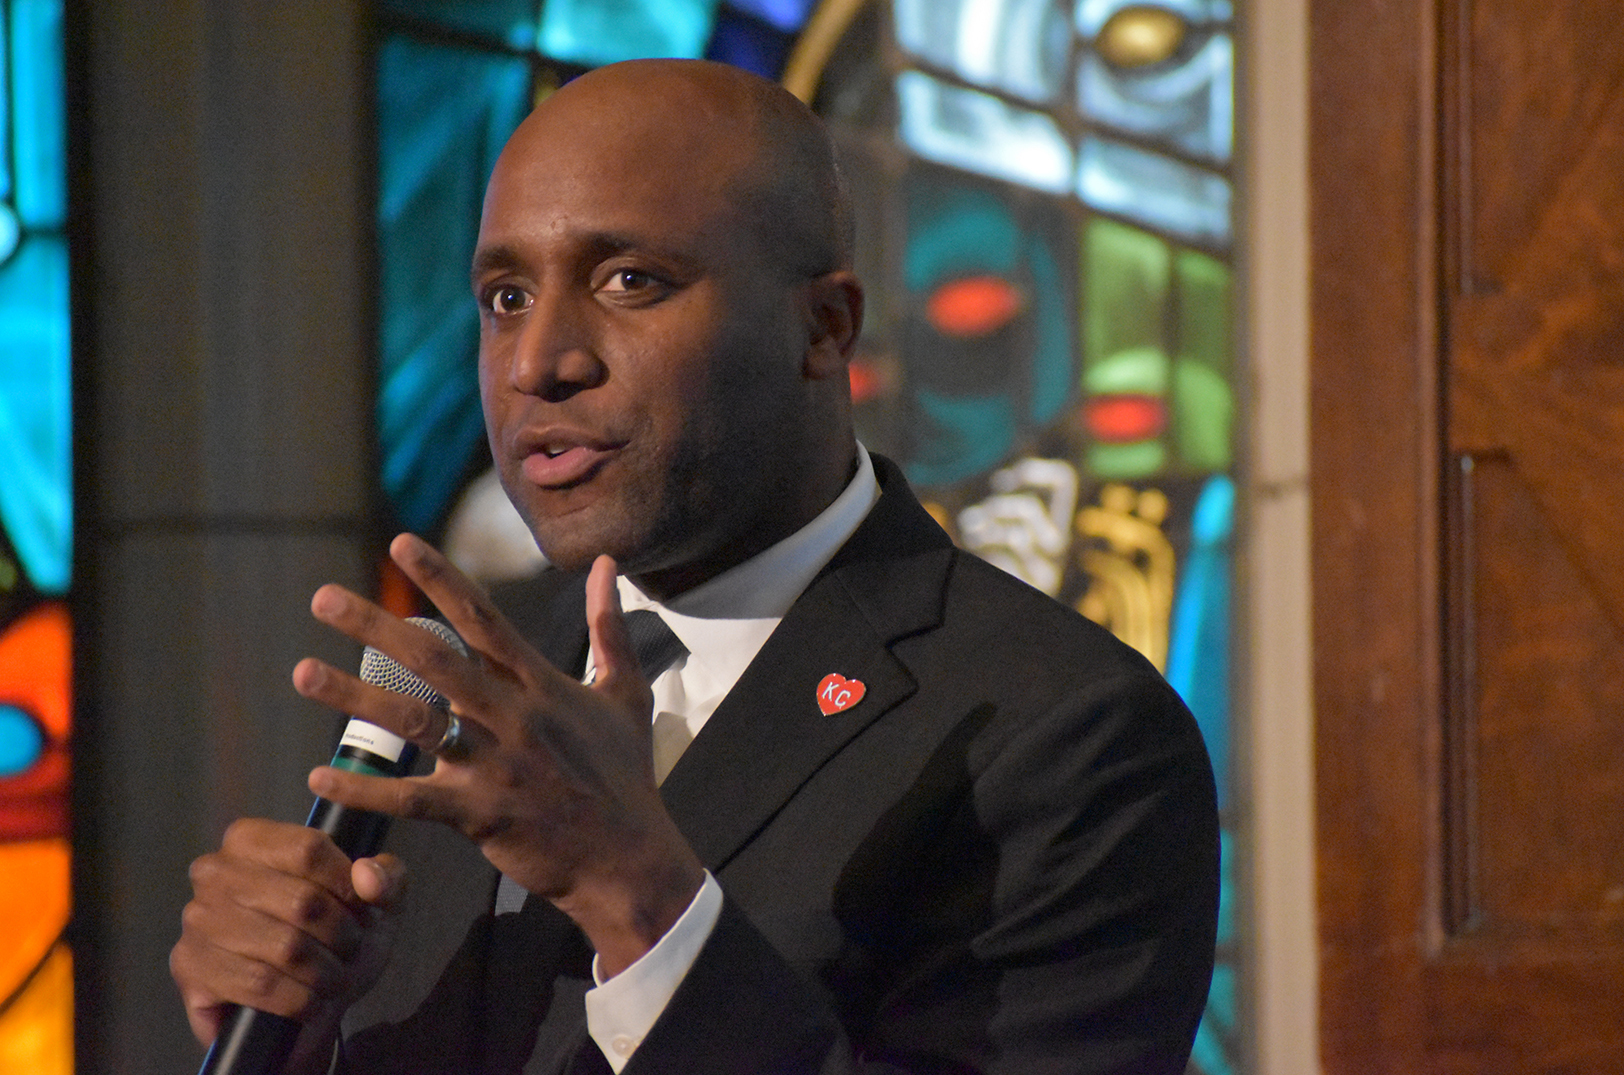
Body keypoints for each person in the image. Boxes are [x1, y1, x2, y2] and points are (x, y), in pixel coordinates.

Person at [170, 58, 1219, 1075]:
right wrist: (305, 1047)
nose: (539, 362)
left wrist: (634, 894)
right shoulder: (464, 690)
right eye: (505, 297)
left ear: (823, 327)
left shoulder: (1070, 736)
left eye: (630, 281)